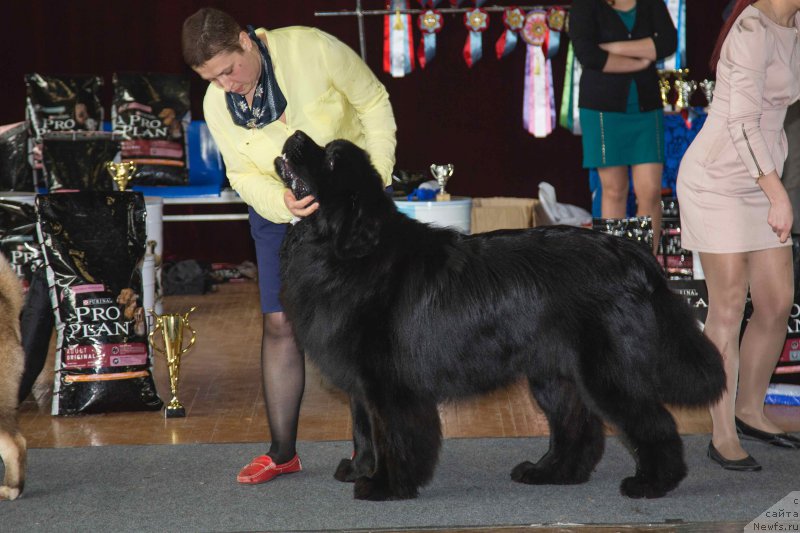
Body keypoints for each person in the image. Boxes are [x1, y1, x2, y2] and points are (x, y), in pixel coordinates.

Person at [181, 7, 397, 484]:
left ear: (246, 41)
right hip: (280, 210)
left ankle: (371, 451)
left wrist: (374, 179)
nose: (226, 85)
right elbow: (239, 173)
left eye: (229, 70)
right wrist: (279, 201)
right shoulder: (218, 104)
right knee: (280, 322)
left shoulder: (311, 47)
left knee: (362, 322)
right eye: (212, 79)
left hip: (351, 204)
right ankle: (282, 452)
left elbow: (373, 101)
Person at [676, 0, 800, 471]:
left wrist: (772, 191)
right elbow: (742, 125)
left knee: (775, 302)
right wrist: (779, 195)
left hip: (762, 178)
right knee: (727, 309)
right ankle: (722, 431)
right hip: (720, 181)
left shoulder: (793, 24)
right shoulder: (751, 30)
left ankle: (750, 409)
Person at [568, 0, 677, 254]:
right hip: (602, 109)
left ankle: (646, 266)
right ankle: (614, 271)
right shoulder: (586, 5)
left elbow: (667, 43)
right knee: (615, 190)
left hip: (646, 106)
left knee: (650, 192)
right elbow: (589, 54)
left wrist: (615, 48)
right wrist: (639, 60)